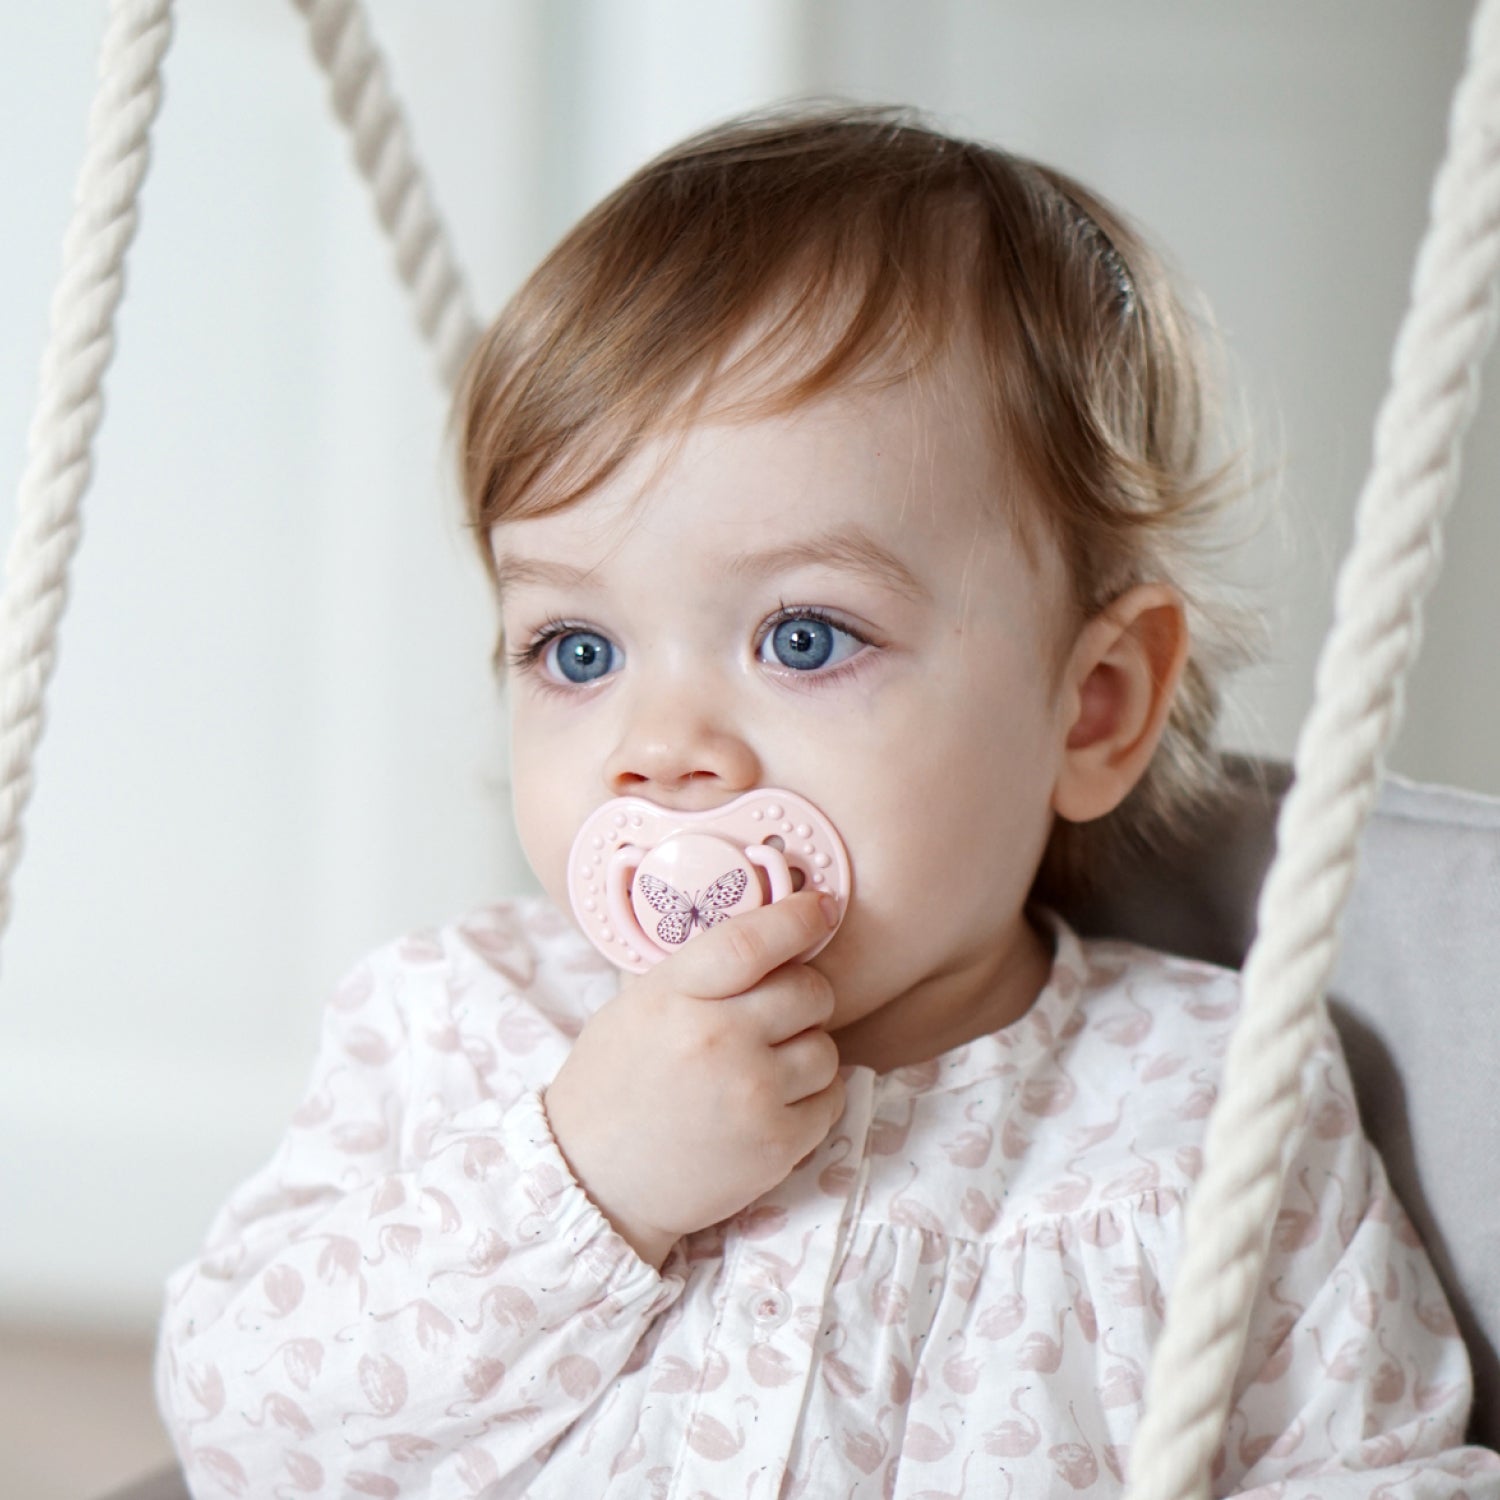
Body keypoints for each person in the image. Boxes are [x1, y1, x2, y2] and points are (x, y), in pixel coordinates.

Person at [155, 106, 1498, 1498]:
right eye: (577, 650)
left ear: (1090, 707)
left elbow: (1382, 1467)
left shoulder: (1214, 1105)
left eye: (803, 637)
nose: (661, 749)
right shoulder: (458, 1032)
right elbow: (242, 1425)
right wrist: (586, 1183)